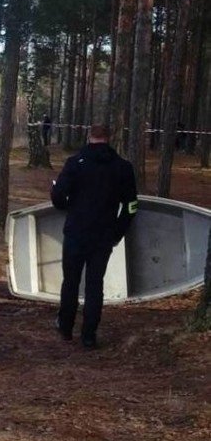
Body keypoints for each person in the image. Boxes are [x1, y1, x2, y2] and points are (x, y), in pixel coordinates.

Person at [51, 124, 138, 349]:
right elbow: (130, 206)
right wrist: (118, 232)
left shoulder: (75, 163)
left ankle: (66, 327)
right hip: (104, 236)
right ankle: (89, 335)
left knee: (70, 281)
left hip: (76, 232)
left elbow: (58, 196)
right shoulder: (123, 167)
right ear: (109, 138)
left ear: (89, 137)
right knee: (94, 285)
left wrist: (67, 205)